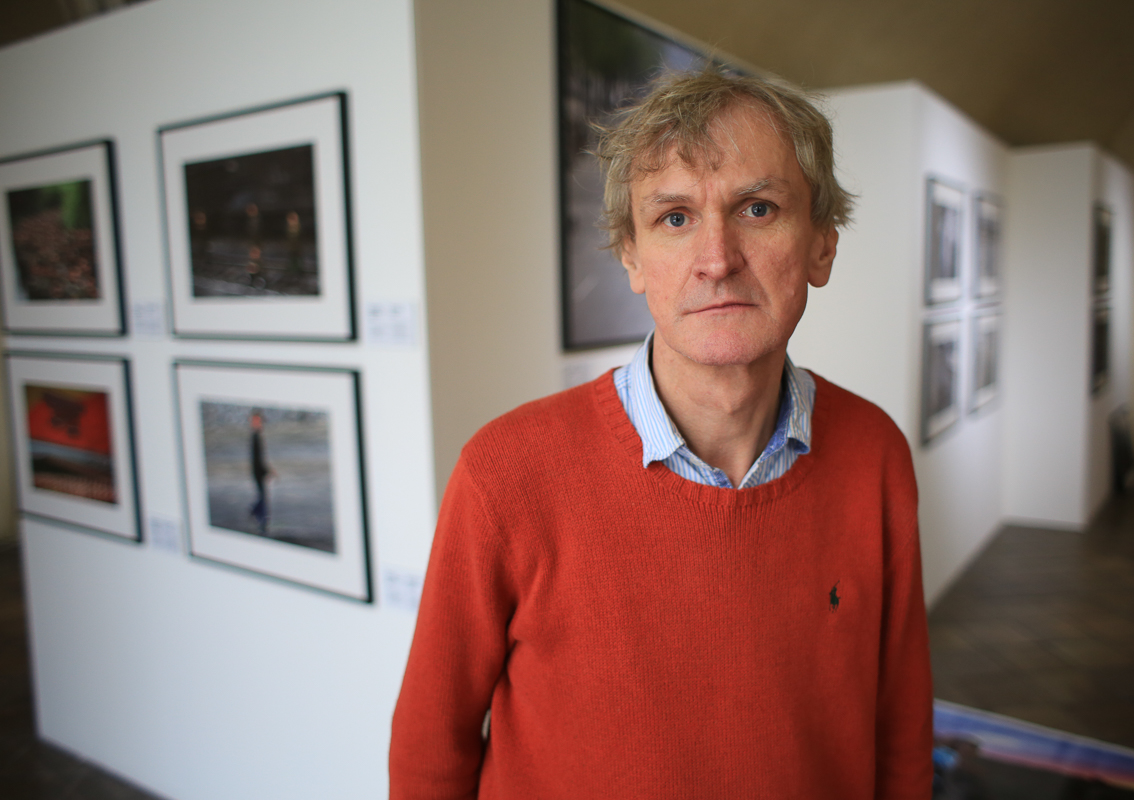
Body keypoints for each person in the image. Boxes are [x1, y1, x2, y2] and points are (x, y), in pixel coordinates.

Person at [390, 68, 932, 799]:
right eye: (675, 218)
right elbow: (430, 750)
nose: (717, 259)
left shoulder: (875, 454)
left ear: (821, 246)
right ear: (632, 257)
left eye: (758, 209)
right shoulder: (506, 475)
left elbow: (901, 731)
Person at [248, 408, 272, 536]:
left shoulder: (257, 436)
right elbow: (257, 459)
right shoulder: (255, 437)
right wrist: (265, 471)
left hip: (258, 470)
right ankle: (260, 521)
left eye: (258, 421)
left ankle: (258, 517)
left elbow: (259, 458)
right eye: (255, 421)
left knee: (262, 496)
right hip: (258, 471)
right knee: (262, 496)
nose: (257, 423)